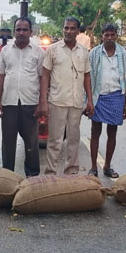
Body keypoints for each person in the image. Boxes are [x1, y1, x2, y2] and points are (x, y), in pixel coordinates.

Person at [38, 16, 94, 175]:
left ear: (78, 31)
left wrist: (90, 100)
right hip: (57, 101)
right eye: (66, 28)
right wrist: (43, 101)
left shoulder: (83, 51)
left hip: (76, 102)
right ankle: (50, 173)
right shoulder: (53, 50)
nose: (68, 31)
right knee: (55, 140)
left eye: (72, 28)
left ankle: (71, 172)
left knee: (74, 140)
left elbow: (87, 76)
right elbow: (45, 76)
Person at [0, 17, 44, 176]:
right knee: (8, 143)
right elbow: (0, 76)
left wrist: (41, 103)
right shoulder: (5, 51)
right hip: (9, 102)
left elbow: (43, 78)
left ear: (31, 32)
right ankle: (7, 177)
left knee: (31, 142)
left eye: (25, 29)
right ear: (14, 32)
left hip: (30, 102)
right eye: (18, 29)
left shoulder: (38, 52)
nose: (21, 33)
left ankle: (32, 175)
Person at [88, 23, 126, 178]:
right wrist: (89, 101)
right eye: (107, 35)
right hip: (97, 96)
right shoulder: (94, 53)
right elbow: (89, 77)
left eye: (113, 35)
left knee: (112, 132)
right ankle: (93, 167)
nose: (110, 38)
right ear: (102, 36)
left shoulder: (123, 53)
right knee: (95, 131)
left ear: (116, 36)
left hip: (116, 96)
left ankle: (107, 166)